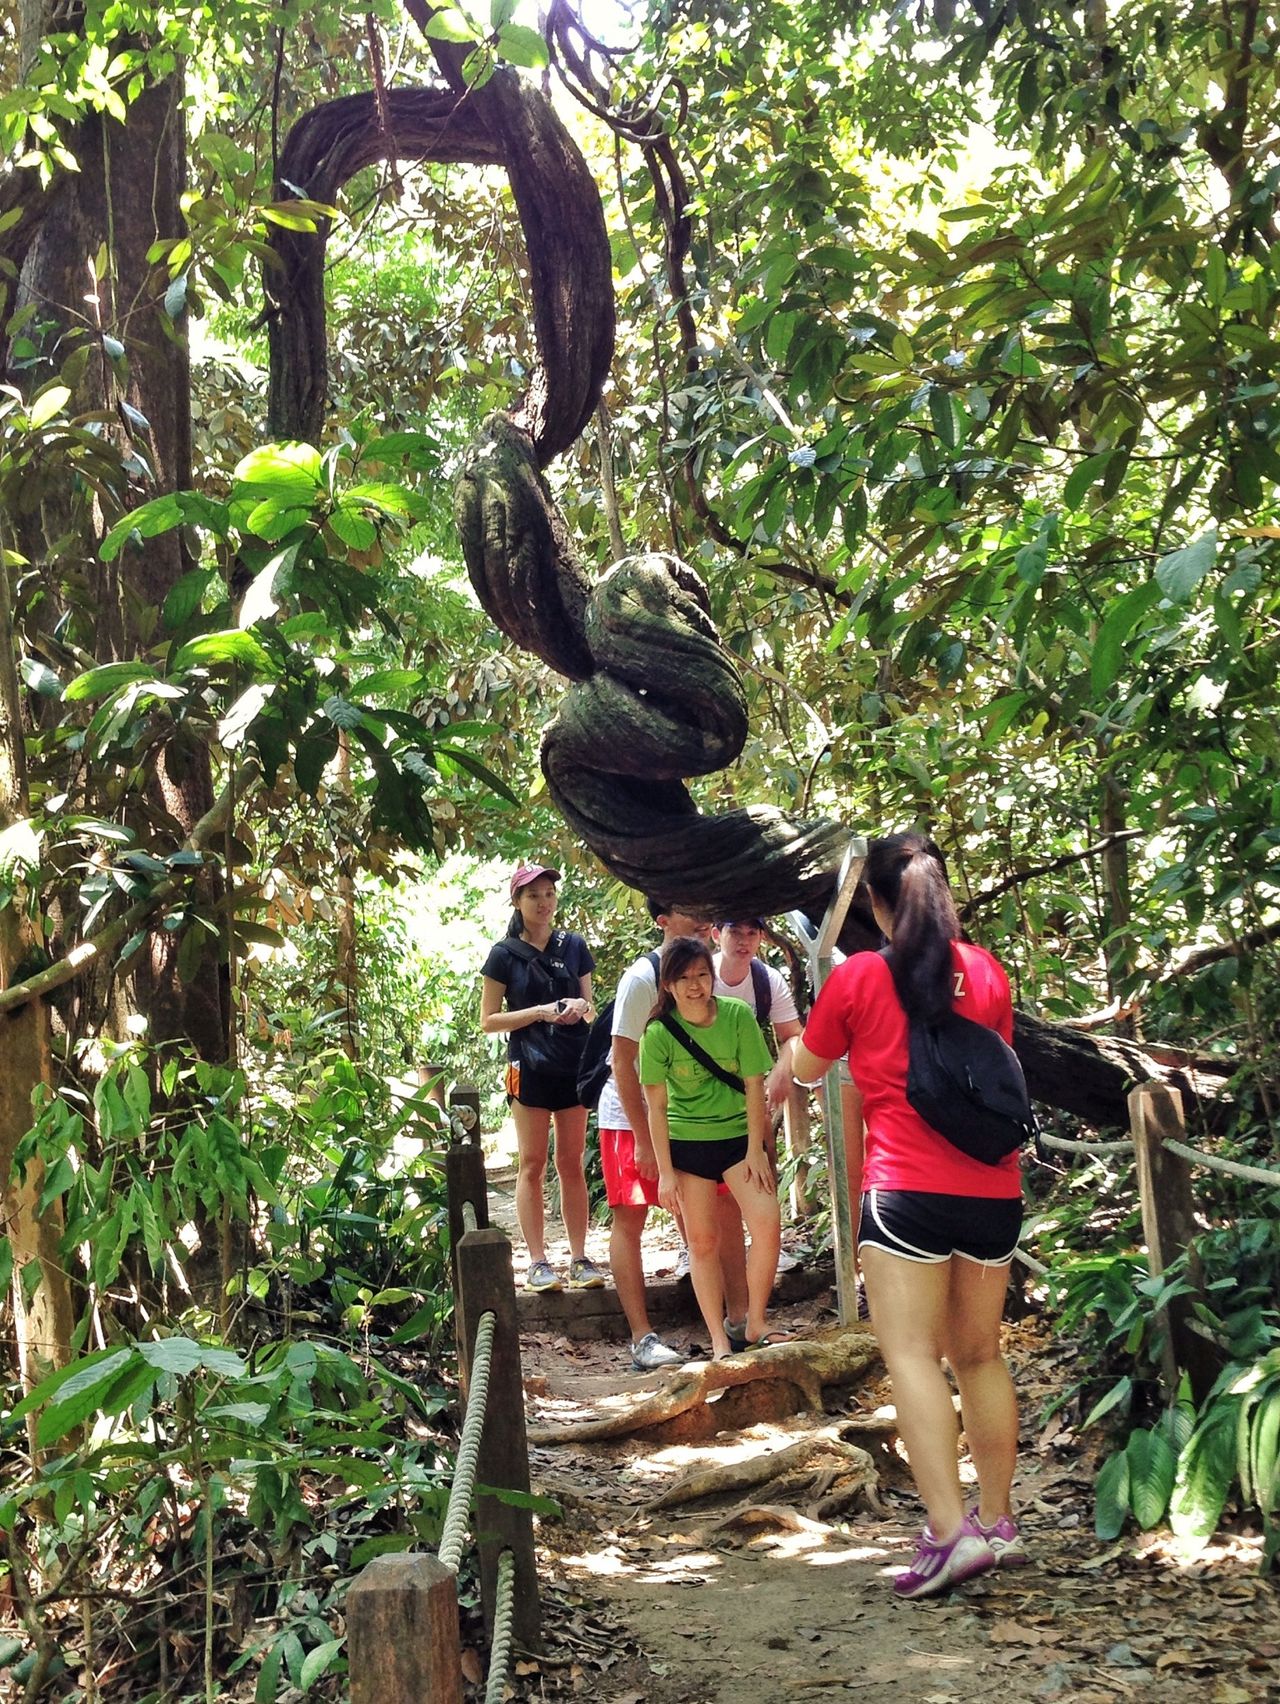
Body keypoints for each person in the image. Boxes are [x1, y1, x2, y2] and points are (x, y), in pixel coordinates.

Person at [792, 832, 1027, 1600]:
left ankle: (949, 1533)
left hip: (905, 1196)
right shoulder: (987, 972)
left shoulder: (860, 976)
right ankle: (998, 1523)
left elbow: (805, 1069)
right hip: (993, 1190)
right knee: (981, 1354)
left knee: (915, 1358)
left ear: (876, 903)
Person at [597, 900, 746, 1370]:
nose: (703, 916)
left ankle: (738, 1321)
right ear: (663, 920)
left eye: (705, 907)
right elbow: (622, 1062)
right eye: (688, 908)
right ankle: (642, 1337)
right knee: (632, 1216)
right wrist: (642, 1139)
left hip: (691, 1118)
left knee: (721, 1209)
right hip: (631, 1116)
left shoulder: (710, 972)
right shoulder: (642, 979)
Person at [639, 936, 794, 1361]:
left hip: (737, 1140)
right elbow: (656, 1106)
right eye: (684, 977)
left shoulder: (738, 1016)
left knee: (766, 1225)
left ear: (712, 976)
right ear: (668, 985)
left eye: (702, 974)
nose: (695, 985)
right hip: (687, 1145)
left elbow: (753, 1086)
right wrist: (667, 1172)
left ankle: (755, 1321)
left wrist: (757, 1149)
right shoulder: (658, 1033)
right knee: (703, 1243)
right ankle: (720, 1342)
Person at [480, 863, 607, 1293]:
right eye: (533, 895)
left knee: (570, 1164)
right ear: (517, 902)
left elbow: (591, 1009)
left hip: (572, 1064)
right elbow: (488, 1020)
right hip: (527, 1067)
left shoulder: (574, 947)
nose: (544, 901)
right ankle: (537, 1261)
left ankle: (579, 1257)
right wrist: (537, 1012)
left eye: (549, 893)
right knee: (532, 1164)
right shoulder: (503, 954)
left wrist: (576, 1006)